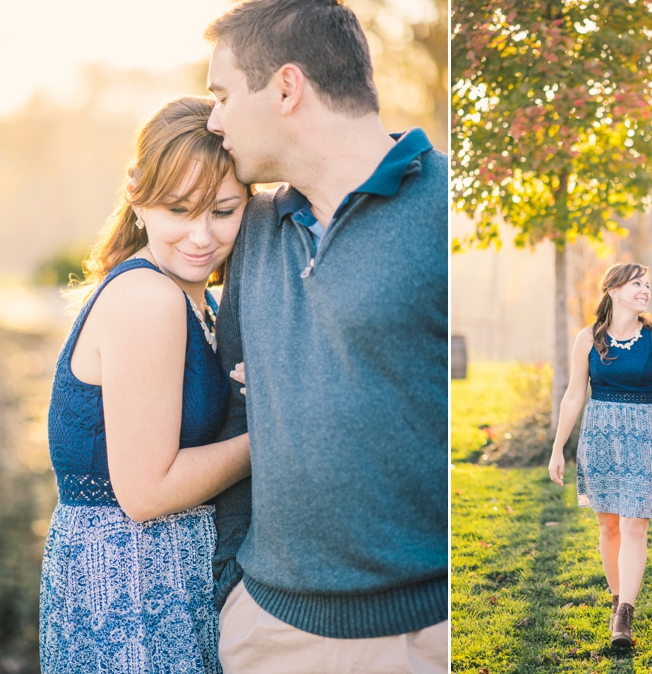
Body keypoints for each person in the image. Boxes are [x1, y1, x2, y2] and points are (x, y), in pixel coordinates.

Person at [202, 1, 448, 672]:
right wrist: (231, 590)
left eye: (222, 94)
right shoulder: (253, 227)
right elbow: (234, 411)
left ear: (286, 87)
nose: (214, 118)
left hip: (425, 637)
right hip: (269, 634)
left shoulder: (445, 208)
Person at [39, 97, 252, 673]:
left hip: (165, 578)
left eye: (224, 210)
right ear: (138, 196)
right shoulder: (147, 298)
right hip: (128, 589)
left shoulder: (196, 297)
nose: (201, 235)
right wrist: (273, 430)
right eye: (180, 208)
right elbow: (147, 493)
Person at [548, 262, 652, 648]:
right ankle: (616, 601)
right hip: (600, 436)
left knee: (634, 525)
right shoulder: (588, 338)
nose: (645, 290)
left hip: (645, 435)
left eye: (647, 284)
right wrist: (557, 447)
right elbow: (574, 395)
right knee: (609, 526)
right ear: (612, 290)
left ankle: (625, 614)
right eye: (636, 284)